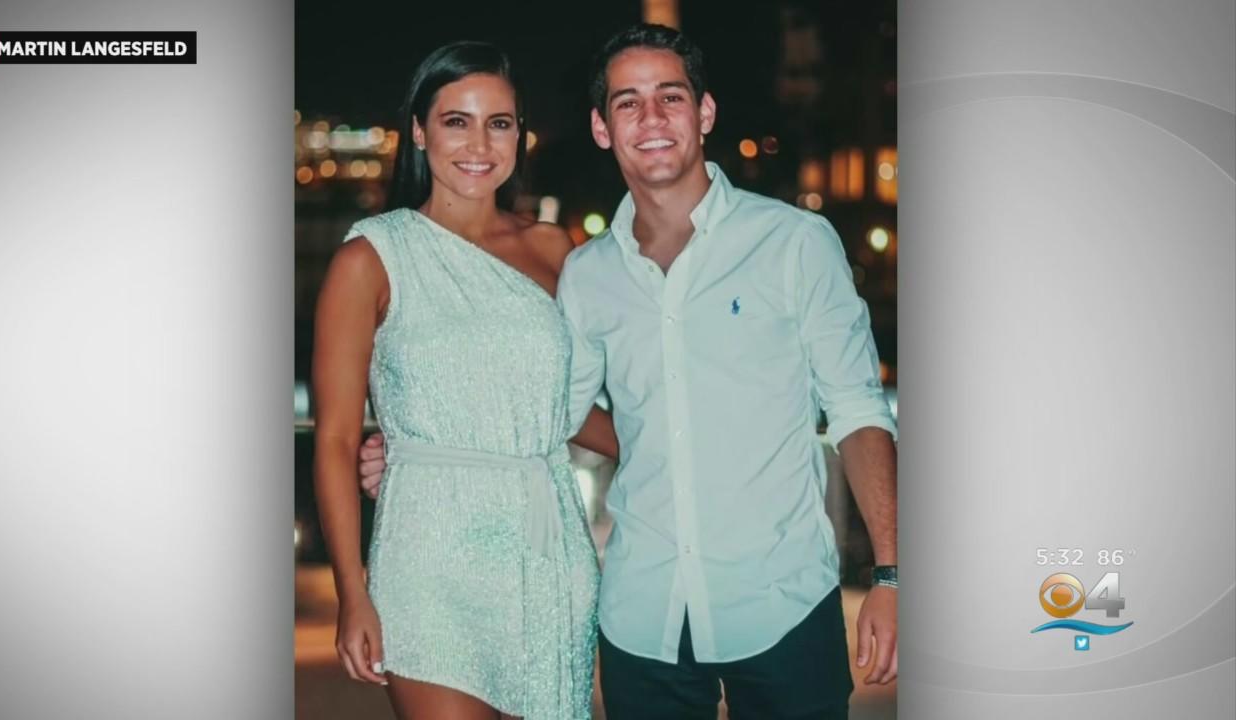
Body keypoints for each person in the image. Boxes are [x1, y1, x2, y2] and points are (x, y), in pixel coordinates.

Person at [362, 23, 898, 720]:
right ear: (601, 127)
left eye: (670, 97)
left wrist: (890, 573)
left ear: (704, 113)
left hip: (783, 604)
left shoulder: (794, 243)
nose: (651, 119)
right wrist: (420, 450)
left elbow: (858, 409)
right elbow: (551, 409)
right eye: (627, 103)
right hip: (642, 621)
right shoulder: (587, 274)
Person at [313, 40, 615, 720]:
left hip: (549, 557)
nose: (479, 144)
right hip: (430, 560)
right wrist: (352, 592)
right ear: (419, 132)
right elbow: (334, 439)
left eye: (498, 123)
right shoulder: (371, 258)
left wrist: (669, 452)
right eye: (457, 121)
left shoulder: (553, 249)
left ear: (519, 135)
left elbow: (568, 408)